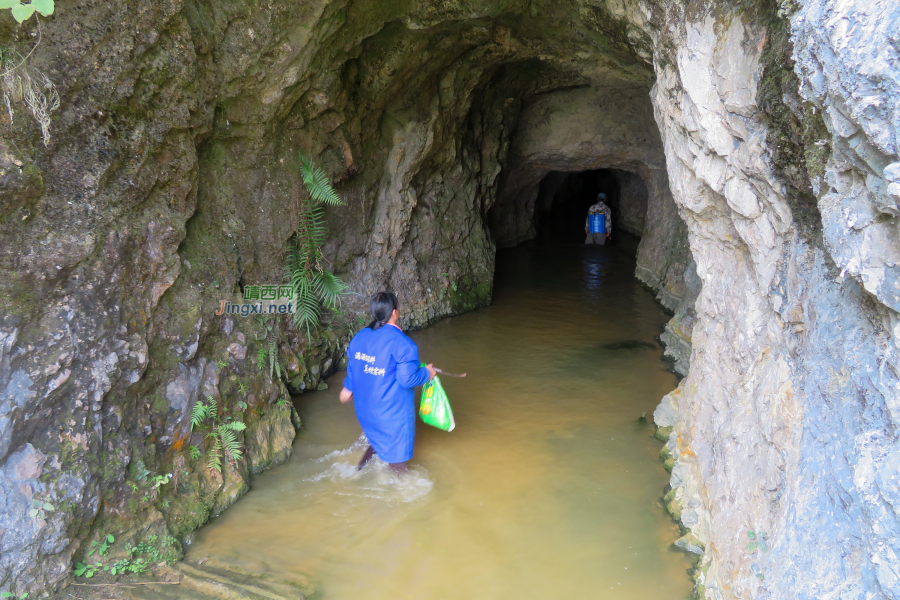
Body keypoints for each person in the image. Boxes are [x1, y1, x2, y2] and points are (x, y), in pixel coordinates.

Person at [339, 291, 437, 474]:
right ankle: (399, 496)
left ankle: (356, 473)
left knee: (377, 438)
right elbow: (407, 379)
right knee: (398, 461)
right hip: (391, 414)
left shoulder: (360, 336)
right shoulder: (404, 344)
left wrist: (348, 388)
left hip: (366, 410)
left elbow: (353, 367)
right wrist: (427, 373)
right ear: (394, 311)